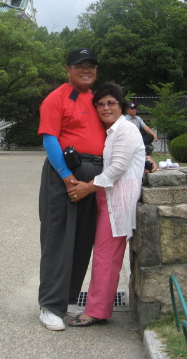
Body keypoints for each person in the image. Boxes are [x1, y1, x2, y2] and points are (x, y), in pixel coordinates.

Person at [65, 82, 148, 327]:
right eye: (100, 104)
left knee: (105, 256)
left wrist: (86, 188)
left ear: (121, 105)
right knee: (104, 255)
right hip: (107, 197)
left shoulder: (125, 130)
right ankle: (97, 307)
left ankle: (96, 311)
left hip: (118, 200)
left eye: (111, 102)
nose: (105, 107)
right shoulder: (113, 131)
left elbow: (117, 169)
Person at [37, 48, 106, 331]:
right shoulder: (57, 98)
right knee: (58, 238)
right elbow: (50, 138)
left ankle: (68, 299)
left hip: (94, 178)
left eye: (91, 65)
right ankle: (50, 305)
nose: (86, 70)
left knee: (82, 239)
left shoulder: (99, 99)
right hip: (66, 173)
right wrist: (66, 177)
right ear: (68, 69)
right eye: (80, 66)